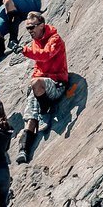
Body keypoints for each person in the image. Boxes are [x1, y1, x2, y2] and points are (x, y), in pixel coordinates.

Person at [15, 12, 69, 163]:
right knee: (30, 115)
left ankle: (46, 110)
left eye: (31, 27)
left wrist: (24, 51)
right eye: (27, 28)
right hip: (41, 85)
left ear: (41, 25)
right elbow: (38, 67)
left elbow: (46, 55)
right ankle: (24, 149)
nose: (30, 31)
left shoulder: (55, 39)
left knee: (36, 84)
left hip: (57, 83)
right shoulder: (35, 42)